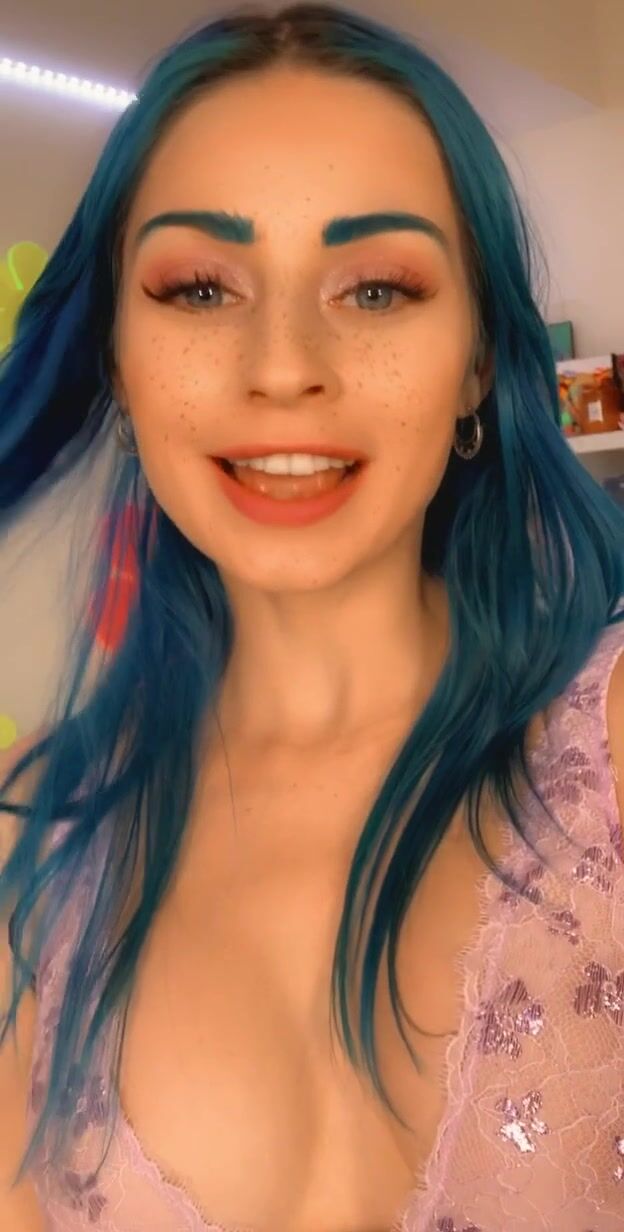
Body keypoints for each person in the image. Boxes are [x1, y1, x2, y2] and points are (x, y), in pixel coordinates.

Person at [1, 4, 623, 1230]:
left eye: (378, 287)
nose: (284, 365)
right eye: (199, 288)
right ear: (119, 362)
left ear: (476, 364)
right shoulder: (39, 839)